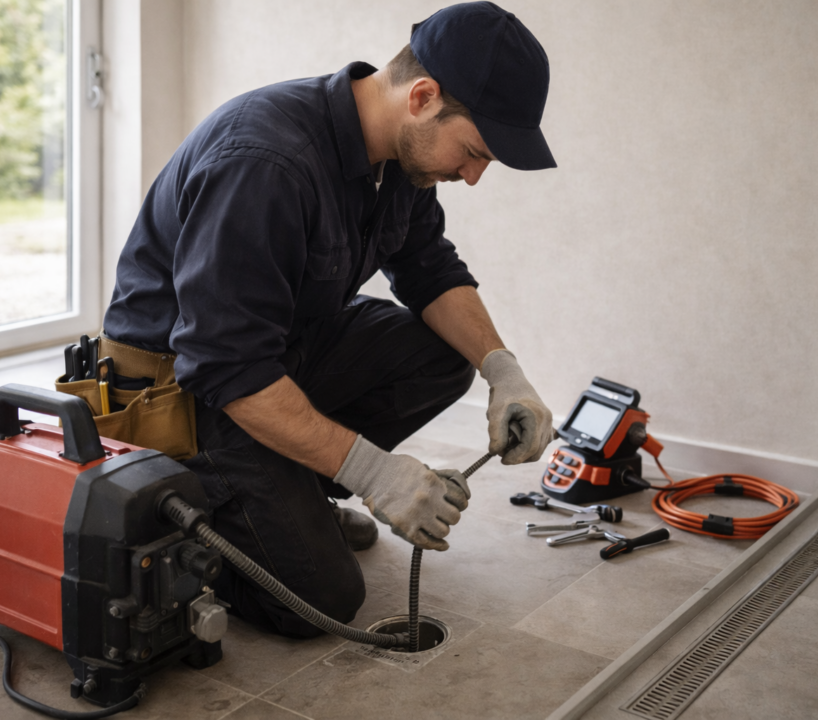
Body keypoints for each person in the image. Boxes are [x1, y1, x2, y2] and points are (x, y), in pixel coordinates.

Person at [102, 1, 556, 638]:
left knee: (446, 353)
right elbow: (227, 367)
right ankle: (226, 517)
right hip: (186, 393)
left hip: (274, 352)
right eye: (476, 151)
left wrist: (505, 372)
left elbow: (428, 267)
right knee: (321, 599)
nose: (474, 176)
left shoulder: (399, 163)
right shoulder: (266, 162)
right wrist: (374, 472)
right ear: (423, 97)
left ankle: (290, 494)